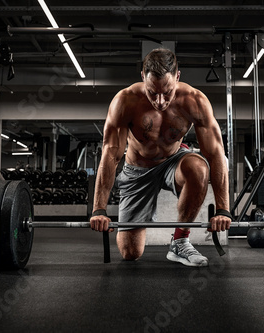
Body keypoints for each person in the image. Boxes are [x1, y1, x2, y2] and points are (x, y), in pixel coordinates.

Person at [90, 48, 231, 267]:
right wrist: (99, 209)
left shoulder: (194, 101)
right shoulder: (125, 101)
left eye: (167, 93)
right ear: (142, 77)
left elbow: (215, 154)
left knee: (199, 168)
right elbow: (110, 155)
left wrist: (223, 209)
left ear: (177, 77)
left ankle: (180, 241)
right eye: (152, 93)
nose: (160, 101)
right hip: (137, 169)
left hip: (173, 162)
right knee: (130, 252)